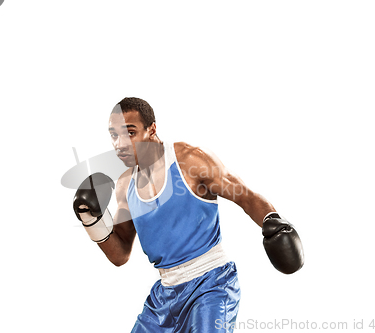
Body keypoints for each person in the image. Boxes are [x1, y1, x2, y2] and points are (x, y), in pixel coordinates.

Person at [72, 97, 304, 333]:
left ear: (152, 129)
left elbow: (245, 196)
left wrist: (271, 219)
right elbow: (120, 255)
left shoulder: (189, 160)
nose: (120, 144)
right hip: (165, 295)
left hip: (211, 285)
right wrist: (92, 220)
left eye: (130, 133)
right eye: (114, 135)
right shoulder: (125, 185)